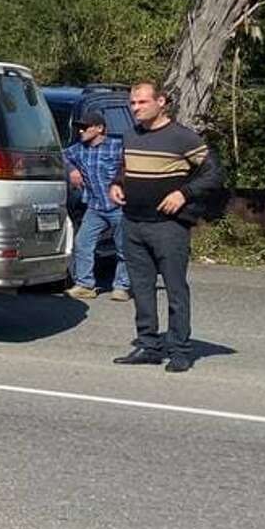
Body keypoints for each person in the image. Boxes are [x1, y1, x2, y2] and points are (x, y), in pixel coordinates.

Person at [111, 82, 225, 374]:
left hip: (169, 227)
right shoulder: (130, 134)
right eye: (132, 103)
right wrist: (116, 184)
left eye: (141, 102)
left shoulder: (182, 137)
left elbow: (214, 173)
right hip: (133, 222)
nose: (135, 108)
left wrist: (183, 194)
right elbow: (123, 168)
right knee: (141, 288)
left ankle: (179, 350)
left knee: (175, 289)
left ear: (161, 102)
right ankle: (149, 346)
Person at [63, 109, 129, 302]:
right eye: (79, 128)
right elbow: (60, 156)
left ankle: (122, 286)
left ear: (100, 128)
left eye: (85, 127)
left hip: (119, 206)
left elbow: (132, 165)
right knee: (82, 243)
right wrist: (72, 169)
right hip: (94, 207)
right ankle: (84, 284)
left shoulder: (117, 147)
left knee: (123, 248)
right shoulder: (78, 149)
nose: (81, 131)